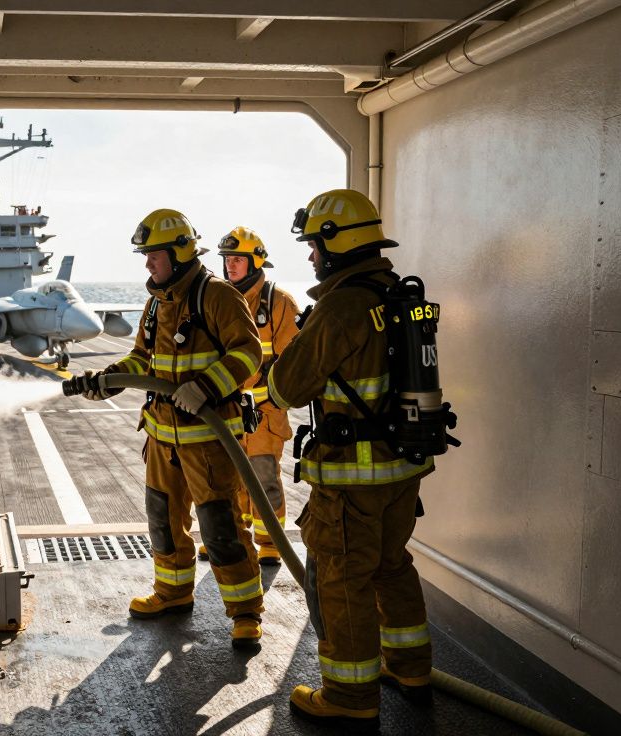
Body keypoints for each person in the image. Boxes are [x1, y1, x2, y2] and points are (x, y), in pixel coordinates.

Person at [268, 189, 434, 731]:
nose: (311, 256)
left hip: (353, 476)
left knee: (343, 579)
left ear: (335, 244)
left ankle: (348, 696)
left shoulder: (343, 305)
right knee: (391, 566)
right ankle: (411, 668)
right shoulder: (394, 293)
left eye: (314, 246)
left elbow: (288, 387)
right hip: (403, 466)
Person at [78, 208, 266, 650]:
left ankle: (245, 612)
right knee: (163, 521)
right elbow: (142, 360)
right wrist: (107, 380)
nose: (147, 264)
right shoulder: (156, 304)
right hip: (162, 439)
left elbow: (248, 352)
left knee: (222, 529)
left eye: (154, 255)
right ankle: (173, 591)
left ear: (180, 253)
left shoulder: (217, 296)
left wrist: (205, 386)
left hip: (210, 443)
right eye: (145, 255)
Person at [196, 227, 301, 568]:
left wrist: (275, 400)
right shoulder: (217, 300)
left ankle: (270, 542)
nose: (230, 266)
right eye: (227, 259)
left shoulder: (280, 303)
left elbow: (293, 362)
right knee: (226, 479)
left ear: (256, 262)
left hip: (265, 413)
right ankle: (231, 538)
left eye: (238, 259)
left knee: (263, 477)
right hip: (227, 410)